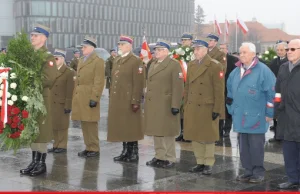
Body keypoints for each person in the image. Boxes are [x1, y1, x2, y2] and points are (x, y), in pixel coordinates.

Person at [226, 42, 276, 183]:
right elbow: (229, 92)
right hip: (240, 116)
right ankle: (247, 171)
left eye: (245, 52)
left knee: (256, 147)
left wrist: (269, 114)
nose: (241, 55)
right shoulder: (236, 71)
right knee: (243, 147)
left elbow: (271, 94)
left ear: (254, 54)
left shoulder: (263, 71)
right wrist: (231, 110)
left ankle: (258, 172)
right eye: (240, 52)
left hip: (257, 117)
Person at [20, 24, 58, 176]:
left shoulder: (47, 57)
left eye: (36, 35)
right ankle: (34, 161)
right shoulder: (30, 55)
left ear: (44, 38)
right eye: (32, 35)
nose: (32, 37)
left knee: (41, 132)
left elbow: (49, 79)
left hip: (41, 99)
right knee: (32, 130)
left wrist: (30, 81)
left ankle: (41, 163)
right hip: (30, 99)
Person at [184, 38, 224, 175]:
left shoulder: (214, 65)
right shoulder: (192, 64)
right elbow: (188, 86)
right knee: (195, 135)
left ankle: (208, 163)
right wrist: (186, 105)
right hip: (193, 105)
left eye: (198, 49)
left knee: (207, 136)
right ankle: (199, 161)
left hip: (207, 106)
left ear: (206, 49)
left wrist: (217, 109)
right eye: (194, 49)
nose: (195, 51)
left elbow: (219, 90)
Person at [144, 40, 184, 168]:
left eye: (159, 50)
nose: (156, 52)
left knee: (167, 132)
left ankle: (170, 157)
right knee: (157, 130)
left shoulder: (173, 65)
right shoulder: (153, 63)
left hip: (166, 103)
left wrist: (175, 105)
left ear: (166, 52)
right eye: (156, 50)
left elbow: (178, 87)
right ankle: (159, 156)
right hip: (154, 103)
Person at [107, 35, 144, 162]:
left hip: (129, 99)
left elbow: (138, 83)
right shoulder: (117, 60)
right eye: (119, 44)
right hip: (119, 99)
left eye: (122, 44)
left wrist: (135, 101)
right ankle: (125, 151)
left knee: (131, 127)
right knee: (122, 126)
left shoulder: (135, 61)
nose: (120, 46)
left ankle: (133, 152)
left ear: (129, 46)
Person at [71, 36, 105, 158]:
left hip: (90, 95)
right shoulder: (81, 60)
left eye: (84, 47)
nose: (82, 49)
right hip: (81, 95)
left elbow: (99, 81)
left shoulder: (98, 61)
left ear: (91, 48)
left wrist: (95, 98)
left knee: (91, 123)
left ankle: (94, 148)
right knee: (84, 122)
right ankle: (88, 146)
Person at [276, 39, 300, 190]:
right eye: (287, 49)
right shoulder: (283, 68)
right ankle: (293, 178)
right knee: (289, 152)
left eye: (292, 49)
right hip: (285, 117)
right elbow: (277, 91)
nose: (288, 52)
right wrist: (276, 109)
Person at [47, 49, 75, 154]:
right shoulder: (51, 70)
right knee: (54, 125)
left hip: (62, 103)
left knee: (62, 126)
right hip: (52, 102)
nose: (54, 60)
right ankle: (56, 145)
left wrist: (68, 105)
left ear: (62, 59)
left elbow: (70, 90)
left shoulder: (69, 72)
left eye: (57, 58)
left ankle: (62, 146)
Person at [206, 33, 227, 139]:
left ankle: (219, 133)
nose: (209, 42)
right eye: (208, 40)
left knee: (217, 108)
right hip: (205, 85)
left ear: (215, 42)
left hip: (215, 83)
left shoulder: (220, 54)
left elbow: (222, 69)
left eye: (211, 41)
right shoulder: (204, 52)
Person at [268, 40, 288, 143]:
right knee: (276, 113)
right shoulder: (273, 62)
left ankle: (285, 135)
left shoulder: (290, 61)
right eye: (278, 50)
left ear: (286, 50)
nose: (279, 52)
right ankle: (277, 135)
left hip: (286, 91)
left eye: (282, 50)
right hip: (275, 91)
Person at [175, 32, 193, 143]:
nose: (184, 42)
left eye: (186, 40)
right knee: (181, 111)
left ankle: (189, 133)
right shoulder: (178, 54)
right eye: (182, 40)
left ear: (191, 41)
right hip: (181, 84)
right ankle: (182, 132)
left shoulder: (194, 53)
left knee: (189, 111)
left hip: (190, 85)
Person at [219, 43, 239, 137]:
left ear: (227, 49)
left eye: (223, 48)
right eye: (220, 48)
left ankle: (227, 129)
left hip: (229, 88)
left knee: (228, 109)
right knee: (219, 108)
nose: (221, 50)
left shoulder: (233, 60)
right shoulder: (216, 59)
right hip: (219, 87)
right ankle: (219, 128)